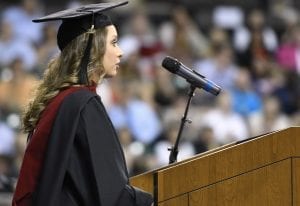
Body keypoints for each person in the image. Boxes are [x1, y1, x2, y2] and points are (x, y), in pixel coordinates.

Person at [12, 1, 153, 206]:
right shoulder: (82, 103)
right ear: (93, 48)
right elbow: (108, 192)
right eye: (113, 42)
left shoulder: (60, 99)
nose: (120, 51)